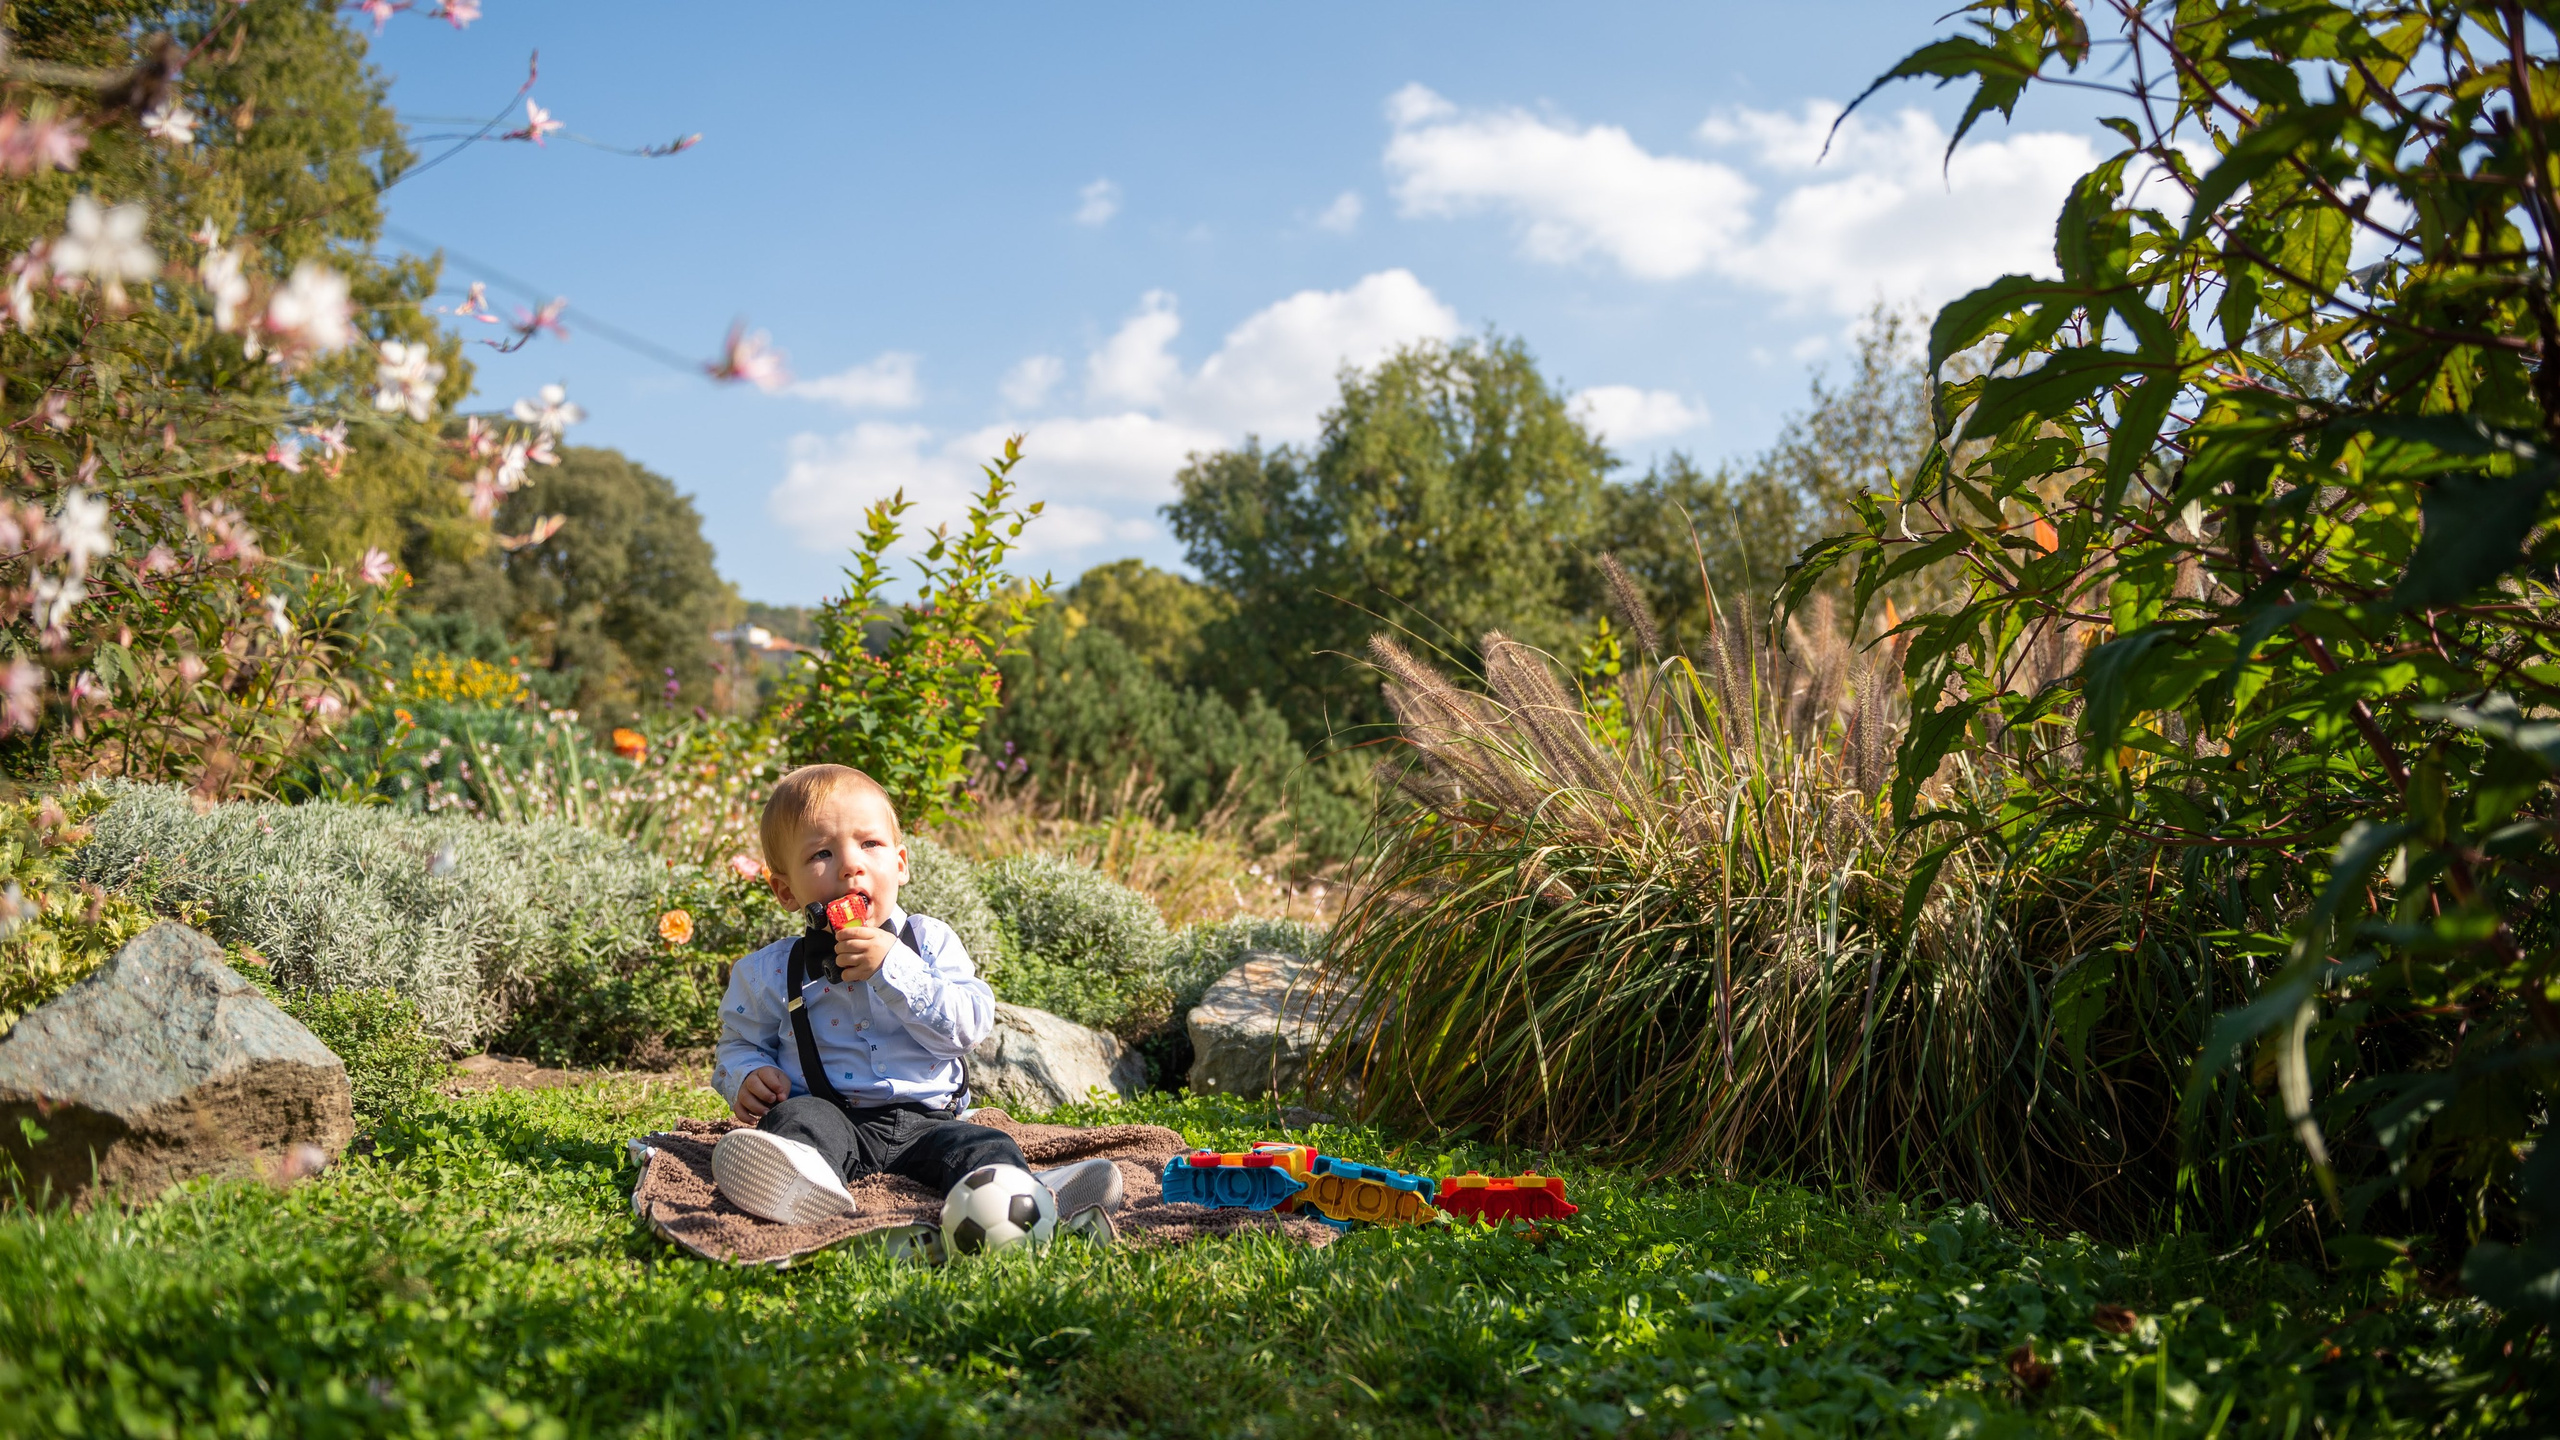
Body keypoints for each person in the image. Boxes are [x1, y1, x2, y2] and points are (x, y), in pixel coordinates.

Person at [707, 763, 1122, 1227]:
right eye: (822, 852)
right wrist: (747, 1075)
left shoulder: (930, 943)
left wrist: (894, 969)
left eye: (870, 844)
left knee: (987, 1146)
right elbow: (738, 1044)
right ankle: (804, 1188)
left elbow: (968, 1027)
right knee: (795, 1123)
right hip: (833, 1117)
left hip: (931, 1122)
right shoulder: (771, 971)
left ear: (900, 864)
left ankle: (1031, 1193)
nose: (851, 865)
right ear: (786, 891)